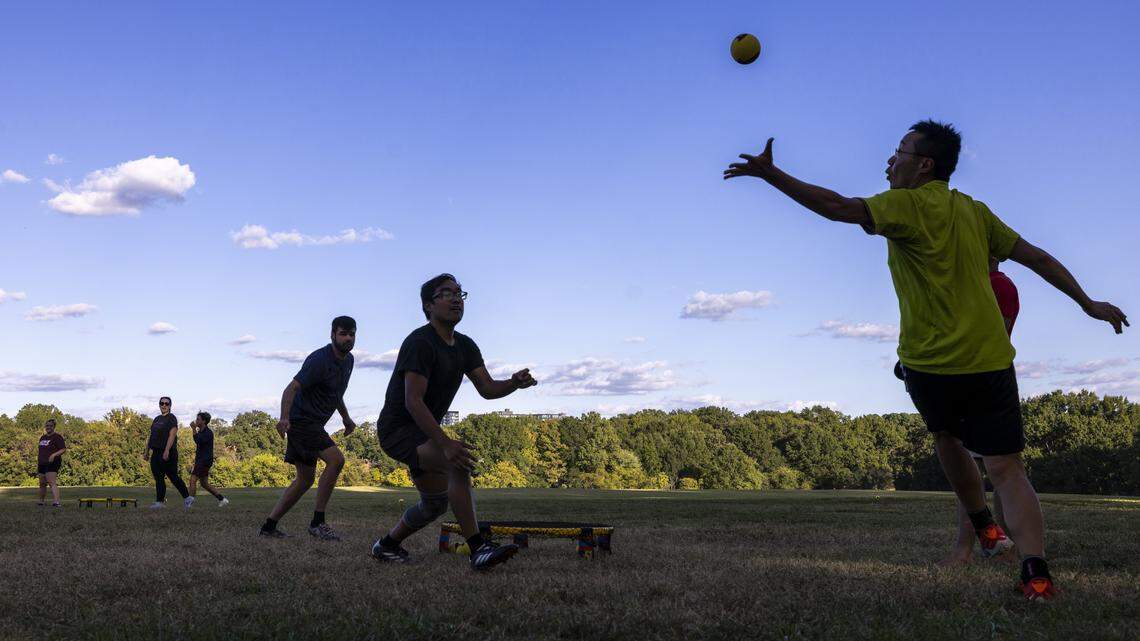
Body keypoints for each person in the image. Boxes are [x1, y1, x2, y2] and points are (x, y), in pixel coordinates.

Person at [724, 120, 1128, 601]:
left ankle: (983, 527)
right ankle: (1036, 575)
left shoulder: (905, 205)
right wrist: (1087, 303)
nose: (889, 161)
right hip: (988, 361)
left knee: (946, 437)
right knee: (1006, 469)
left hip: (931, 364)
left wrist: (774, 176)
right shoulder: (975, 212)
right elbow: (1036, 257)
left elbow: (836, 207)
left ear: (924, 164)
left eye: (898, 152)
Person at [370, 274, 537, 570]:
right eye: (446, 293)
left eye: (459, 293)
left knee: (434, 505)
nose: (456, 299)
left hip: (423, 431)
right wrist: (445, 444)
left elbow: (487, 389)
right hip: (398, 430)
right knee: (457, 463)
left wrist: (513, 383)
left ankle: (386, 545)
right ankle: (478, 549)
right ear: (428, 306)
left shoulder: (465, 346)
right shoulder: (420, 343)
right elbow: (413, 401)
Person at [259, 316, 358, 540]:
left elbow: (336, 394)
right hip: (302, 420)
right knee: (336, 460)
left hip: (313, 423)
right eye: (343, 333)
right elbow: (290, 389)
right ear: (332, 334)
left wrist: (346, 418)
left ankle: (269, 526)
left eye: (352, 334)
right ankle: (318, 523)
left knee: (305, 479)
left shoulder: (348, 361)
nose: (348, 338)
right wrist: (284, 418)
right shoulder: (319, 360)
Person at [145, 396, 192, 509]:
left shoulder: (171, 418)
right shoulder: (156, 419)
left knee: (173, 477)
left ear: (170, 406)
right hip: (155, 452)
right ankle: (160, 502)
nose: (164, 405)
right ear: (159, 405)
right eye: (162, 403)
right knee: (158, 477)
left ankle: (187, 498)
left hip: (168, 452)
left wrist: (167, 450)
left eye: (166, 404)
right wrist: (146, 451)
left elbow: (172, 435)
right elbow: (151, 436)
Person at [188, 412, 229, 507]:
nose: (196, 421)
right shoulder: (202, 432)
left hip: (204, 461)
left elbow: (197, 441)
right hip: (202, 460)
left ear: (204, 421)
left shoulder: (208, 433)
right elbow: (198, 440)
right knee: (204, 483)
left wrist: (193, 429)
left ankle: (189, 503)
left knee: (193, 479)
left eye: (198, 419)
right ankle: (222, 499)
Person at [36, 419, 66, 507]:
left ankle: (56, 502)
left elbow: (63, 449)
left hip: (53, 462)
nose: (48, 427)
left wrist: (54, 455)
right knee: (42, 483)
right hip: (42, 463)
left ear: (54, 427)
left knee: (51, 482)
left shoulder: (57, 437)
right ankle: (41, 501)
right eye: (47, 426)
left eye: (50, 426)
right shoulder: (42, 437)